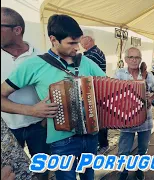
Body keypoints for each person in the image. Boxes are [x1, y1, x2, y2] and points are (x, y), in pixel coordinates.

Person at [1, 14, 106, 180]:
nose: (77, 47)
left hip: (91, 136)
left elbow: (109, 87)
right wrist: (32, 110)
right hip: (62, 141)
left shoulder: (85, 62)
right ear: (53, 40)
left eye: (78, 42)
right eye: (71, 43)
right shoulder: (34, 64)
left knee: (89, 177)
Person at [1, 7, 49, 180]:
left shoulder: (41, 57)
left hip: (39, 127)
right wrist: (31, 110)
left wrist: (45, 118)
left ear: (17, 30)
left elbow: (51, 90)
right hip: (7, 129)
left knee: (42, 172)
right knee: (12, 175)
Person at [114, 47, 154, 180]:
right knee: (124, 150)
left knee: (143, 149)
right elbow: (112, 93)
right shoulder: (119, 74)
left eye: (137, 58)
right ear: (126, 59)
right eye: (131, 57)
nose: (134, 60)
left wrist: (150, 99)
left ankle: (140, 170)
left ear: (141, 59)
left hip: (145, 119)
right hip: (127, 119)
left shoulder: (147, 75)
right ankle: (123, 173)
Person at [80, 29, 109, 154]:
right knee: (98, 117)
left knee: (98, 118)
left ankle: (102, 144)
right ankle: (101, 143)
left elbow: (87, 75)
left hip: (95, 91)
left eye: (82, 38)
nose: (80, 41)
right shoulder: (95, 52)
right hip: (97, 90)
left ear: (89, 39)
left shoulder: (91, 55)